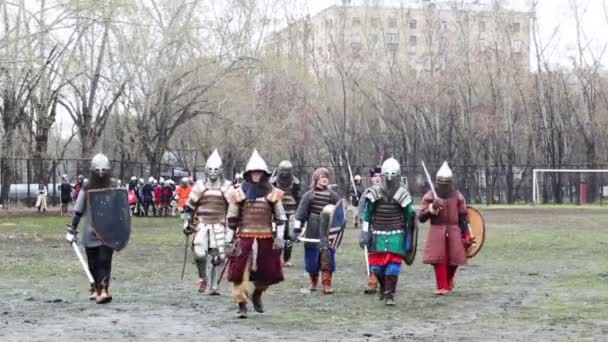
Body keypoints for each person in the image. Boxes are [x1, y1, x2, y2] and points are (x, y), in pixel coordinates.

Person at [226, 149, 286, 318]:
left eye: (259, 172)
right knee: (240, 274)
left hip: (266, 238)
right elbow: (231, 219)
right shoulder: (239, 192)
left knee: (268, 274)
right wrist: (228, 241)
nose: (256, 175)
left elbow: (281, 218)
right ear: (248, 173)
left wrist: (280, 237)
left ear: (264, 174)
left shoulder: (273, 192)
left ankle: (257, 294)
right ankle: (241, 303)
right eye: (254, 172)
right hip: (244, 238)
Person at [66, 153, 130, 304]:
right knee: (93, 262)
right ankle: (96, 289)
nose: (101, 174)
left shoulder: (113, 186)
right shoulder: (87, 187)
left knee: (104, 260)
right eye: (98, 170)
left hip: (108, 232)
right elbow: (78, 211)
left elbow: (121, 210)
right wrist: (72, 229)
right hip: (90, 231)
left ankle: (104, 290)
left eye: (104, 171)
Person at [359, 158, 415, 305]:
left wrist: (410, 237)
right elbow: (367, 215)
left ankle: (390, 295)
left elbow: (410, 218)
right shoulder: (373, 194)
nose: (389, 180)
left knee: (393, 267)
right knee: (377, 268)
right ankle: (384, 289)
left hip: (396, 234)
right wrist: (364, 233)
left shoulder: (403, 195)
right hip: (378, 234)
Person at [419, 161, 472, 295]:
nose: (443, 186)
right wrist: (432, 208)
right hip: (437, 230)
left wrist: (466, 234)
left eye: (446, 183)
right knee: (439, 260)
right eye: (441, 183)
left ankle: (448, 281)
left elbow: (463, 217)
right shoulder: (430, 196)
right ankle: (441, 286)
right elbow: (421, 217)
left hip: (454, 230)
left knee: (455, 259)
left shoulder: (458, 196)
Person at [183, 150, 232, 295]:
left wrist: (232, 228)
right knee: (199, 252)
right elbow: (189, 206)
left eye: (216, 169)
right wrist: (186, 223)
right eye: (210, 169)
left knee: (217, 257)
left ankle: (214, 286)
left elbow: (233, 209)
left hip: (220, 224)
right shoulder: (199, 186)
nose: (213, 172)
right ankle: (202, 277)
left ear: (221, 170)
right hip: (202, 224)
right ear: (205, 170)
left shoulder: (227, 187)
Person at [293, 168, 341, 294]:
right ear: (316, 179)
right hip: (313, 227)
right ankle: (313, 281)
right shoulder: (309, 195)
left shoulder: (333, 195)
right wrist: (296, 229)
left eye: (326, 177)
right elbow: (300, 214)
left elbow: (340, 212)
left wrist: (338, 227)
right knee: (312, 258)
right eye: (322, 177)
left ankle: (327, 283)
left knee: (327, 255)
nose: (324, 179)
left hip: (327, 228)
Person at [270, 160, 301, 267]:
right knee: (277, 235)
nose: (284, 174)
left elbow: (298, 197)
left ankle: (287, 259)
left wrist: (298, 212)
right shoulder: (273, 182)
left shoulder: (295, 182)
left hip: (291, 211)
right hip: (277, 210)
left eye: (286, 171)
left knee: (289, 236)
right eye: (282, 171)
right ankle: (276, 258)